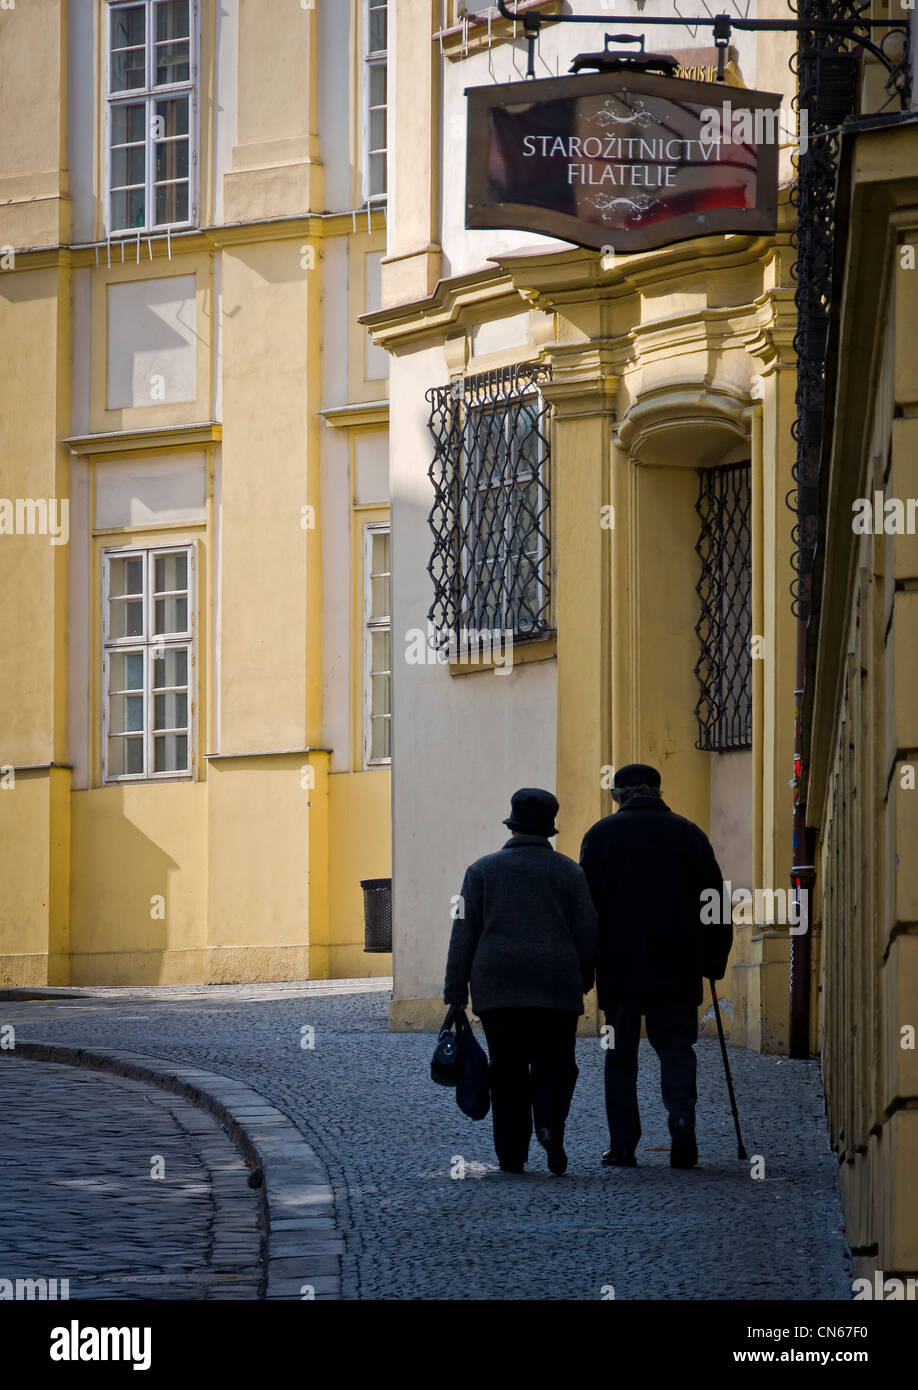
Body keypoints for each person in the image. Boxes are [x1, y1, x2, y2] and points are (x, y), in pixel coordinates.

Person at [579, 764, 732, 1170]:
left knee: (620, 1055)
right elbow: (715, 902)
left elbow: (586, 910)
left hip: (619, 970)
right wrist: (714, 960)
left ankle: (623, 1146)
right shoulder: (689, 834)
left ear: (618, 797)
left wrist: (585, 965)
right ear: (659, 793)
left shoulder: (600, 836)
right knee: (677, 1048)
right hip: (678, 968)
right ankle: (682, 1122)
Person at [442, 788, 597, 1176]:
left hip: (498, 985)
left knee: (506, 1069)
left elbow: (464, 932)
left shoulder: (481, 871)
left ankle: (512, 1154)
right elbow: (587, 929)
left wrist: (455, 991)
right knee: (557, 1065)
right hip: (555, 983)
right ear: (550, 829)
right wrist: (585, 974)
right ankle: (549, 1126)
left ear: (511, 826)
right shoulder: (569, 871)